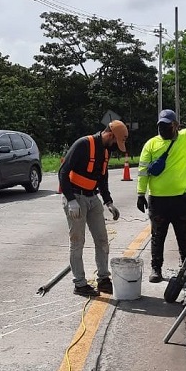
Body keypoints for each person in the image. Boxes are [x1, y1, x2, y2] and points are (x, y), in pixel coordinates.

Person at [59, 120, 128, 297]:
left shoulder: (105, 151)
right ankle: (80, 284)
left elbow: (102, 179)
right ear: (110, 135)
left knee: (102, 239)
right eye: (115, 142)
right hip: (75, 197)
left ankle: (103, 279)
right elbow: (63, 172)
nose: (114, 147)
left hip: (92, 198)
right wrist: (71, 200)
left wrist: (108, 202)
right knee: (77, 242)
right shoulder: (83, 144)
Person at [137, 109, 186, 283]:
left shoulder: (185, 137)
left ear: (175, 125)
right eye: (161, 126)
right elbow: (143, 171)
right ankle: (156, 269)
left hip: (181, 199)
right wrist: (140, 193)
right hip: (158, 201)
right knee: (157, 236)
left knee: (183, 236)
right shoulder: (151, 144)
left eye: (167, 126)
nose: (163, 129)